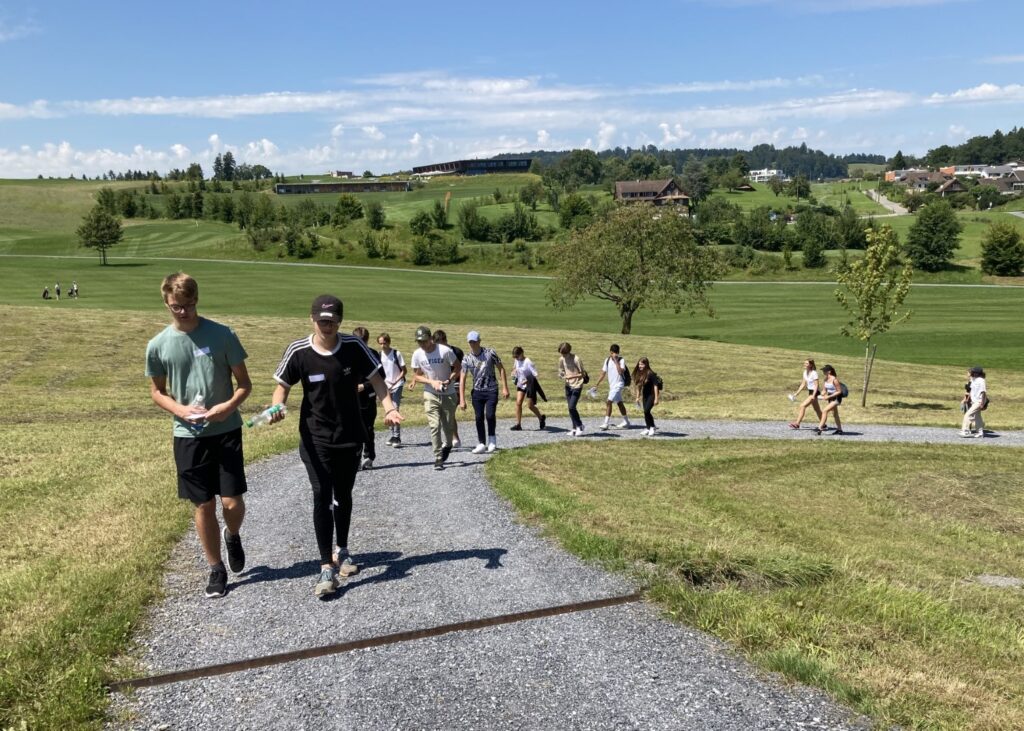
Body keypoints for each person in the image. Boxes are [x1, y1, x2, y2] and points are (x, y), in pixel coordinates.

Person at [270, 295, 402, 598]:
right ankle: (325, 565)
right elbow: (282, 389)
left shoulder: (354, 348)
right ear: (312, 319)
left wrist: (389, 408)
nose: (326, 326)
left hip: (350, 435)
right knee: (322, 495)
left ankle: (343, 550)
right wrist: (277, 407)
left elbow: (378, 382)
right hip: (315, 438)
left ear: (339, 321)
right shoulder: (298, 351)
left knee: (344, 494)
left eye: (331, 321)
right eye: (321, 320)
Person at [145, 272, 252, 599]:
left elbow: (245, 385)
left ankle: (232, 534)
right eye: (177, 306)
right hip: (188, 435)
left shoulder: (222, 335)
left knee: (232, 503)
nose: (183, 312)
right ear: (166, 302)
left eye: (189, 305)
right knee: (202, 504)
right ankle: (216, 568)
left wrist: (227, 406)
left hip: (226, 429)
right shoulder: (158, 345)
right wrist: (178, 410)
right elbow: (157, 392)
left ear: (197, 300)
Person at [411, 326, 460, 470]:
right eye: (419, 342)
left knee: (448, 424)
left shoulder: (445, 351)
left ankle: (449, 444)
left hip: (448, 393)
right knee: (434, 425)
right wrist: (432, 382)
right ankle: (438, 458)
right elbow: (417, 375)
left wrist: (449, 380)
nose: (422, 345)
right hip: (430, 393)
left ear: (431, 339)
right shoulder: (417, 354)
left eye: (424, 341)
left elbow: (457, 368)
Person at [459, 331, 510, 454]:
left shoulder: (490, 353)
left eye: (475, 342)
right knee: (478, 417)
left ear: (479, 341)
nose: (473, 344)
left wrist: (505, 387)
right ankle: (481, 443)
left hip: (491, 389)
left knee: (490, 415)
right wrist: (462, 399)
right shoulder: (466, 359)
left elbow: (501, 369)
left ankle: (492, 439)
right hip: (477, 392)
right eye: (470, 342)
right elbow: (462, 378)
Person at [352, 327, 379, 469]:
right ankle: (354, 458)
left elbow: (381, 377)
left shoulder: (373, 354)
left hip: (367, 398)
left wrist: (365, 386)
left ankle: (369, 456)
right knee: (353, 429)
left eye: (363, 342)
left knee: (368, 428)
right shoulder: (347, 354)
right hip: (350, 398)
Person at [431, 329, 463, 449]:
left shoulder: (456, 351)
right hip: (439, 386)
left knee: (448, 413)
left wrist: (451, 379)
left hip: (454, 385)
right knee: (443, 414)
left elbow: (460, 370)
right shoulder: (435, 352)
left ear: (445, 340)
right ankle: (453, 438)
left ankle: (453, 439)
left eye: (440, 343)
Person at [377, 332, 407, 447]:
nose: (382, 346)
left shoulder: (396, 353)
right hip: (386, 385)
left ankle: (397, 436)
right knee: (388, 410)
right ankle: (392, 435)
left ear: (388, 342)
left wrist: (395, 381)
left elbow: (404, 370)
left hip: (397, 384)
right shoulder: (379, 355)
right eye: (380, 343)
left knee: (395, 408)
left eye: (384, 343)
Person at [594, 344, 631, 430]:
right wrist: (596, 384)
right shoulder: (607, 360)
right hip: (612, 386)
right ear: (610, 352)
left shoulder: (621, 360)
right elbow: (603, 373)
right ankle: (626, 421)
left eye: (617, 353)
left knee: (609, 401)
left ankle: (606, 423)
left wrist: (616, 360)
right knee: (619, 403)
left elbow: (620, 372)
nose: (616, 354)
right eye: (614, 353)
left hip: (619, 385)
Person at [510, 346, 546, 431]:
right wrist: (514, 371)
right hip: (521, 384)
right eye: (515, 357)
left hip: (530, 384)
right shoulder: (517, 360)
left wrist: (527, 381)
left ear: (522, 353)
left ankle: (541, 418)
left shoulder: (528, 362)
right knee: (518, 403)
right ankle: (518, 425)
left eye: (517, 356)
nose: (516, 358)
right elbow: (515, 367)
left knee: (530, 405)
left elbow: (535, 374)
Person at [557, 342, 586, 436]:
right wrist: (561, 375)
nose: (562, 355)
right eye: (561, 353)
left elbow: (583, 374)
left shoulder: (576, 359)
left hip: (577, 385)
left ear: (568, 351)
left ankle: (580, 425)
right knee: (570, 408)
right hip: (568, 385)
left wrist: (571, 376)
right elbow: (561, 370)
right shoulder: (561, 359)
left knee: (572, 406)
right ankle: (574, 429)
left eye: (564, 353)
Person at [789, 358, 823, 430]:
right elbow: (803, 384)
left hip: (815, 392)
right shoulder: (805, 372)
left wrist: (813, 395)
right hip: (810, 391)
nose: (805, 364)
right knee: (817, 409)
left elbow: (816, 385)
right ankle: (823, 424)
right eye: (804, 363)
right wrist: (796, 393)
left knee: (802, 406)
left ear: (810, 365)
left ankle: (797, 423)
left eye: (806, 363)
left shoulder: (814, 373)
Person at [632, 357, 662, 436]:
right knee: (646, 412)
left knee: (646, 411)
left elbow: (656, 386)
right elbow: (639, 386)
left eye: (642, 364)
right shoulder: (640, 373)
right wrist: (637, 397)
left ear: (646, 364)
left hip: (652, 395)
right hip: (645, 395)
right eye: (639, 364)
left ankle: (652, 427)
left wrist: (656, 398)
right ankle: (648, 428)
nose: (640, 366)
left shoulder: (650, 373)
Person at [814, 365, 844, 435]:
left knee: (825, 410)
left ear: (829, 371)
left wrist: (828, 396)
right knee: (835, 414)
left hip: (836, 398)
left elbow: (839, 391)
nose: (823, 372)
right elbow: (824, 390)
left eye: (824, 371)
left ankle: (820, 428)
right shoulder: (825, 379)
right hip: (830, 398)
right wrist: (822, 394)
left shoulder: (834, 380)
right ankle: (839, 429)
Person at [960, 366, 987, 438]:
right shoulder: (974, 379)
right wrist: (967, 399)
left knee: (968, 415)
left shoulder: (981, 381)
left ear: (976, 373)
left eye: (973, 371)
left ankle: (965, 431)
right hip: (974, 401)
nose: (971, 372)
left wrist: (982, 403)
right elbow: (970, 390)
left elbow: (983, 392)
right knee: (977, 417)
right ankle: (980, 432)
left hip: (979, 401)